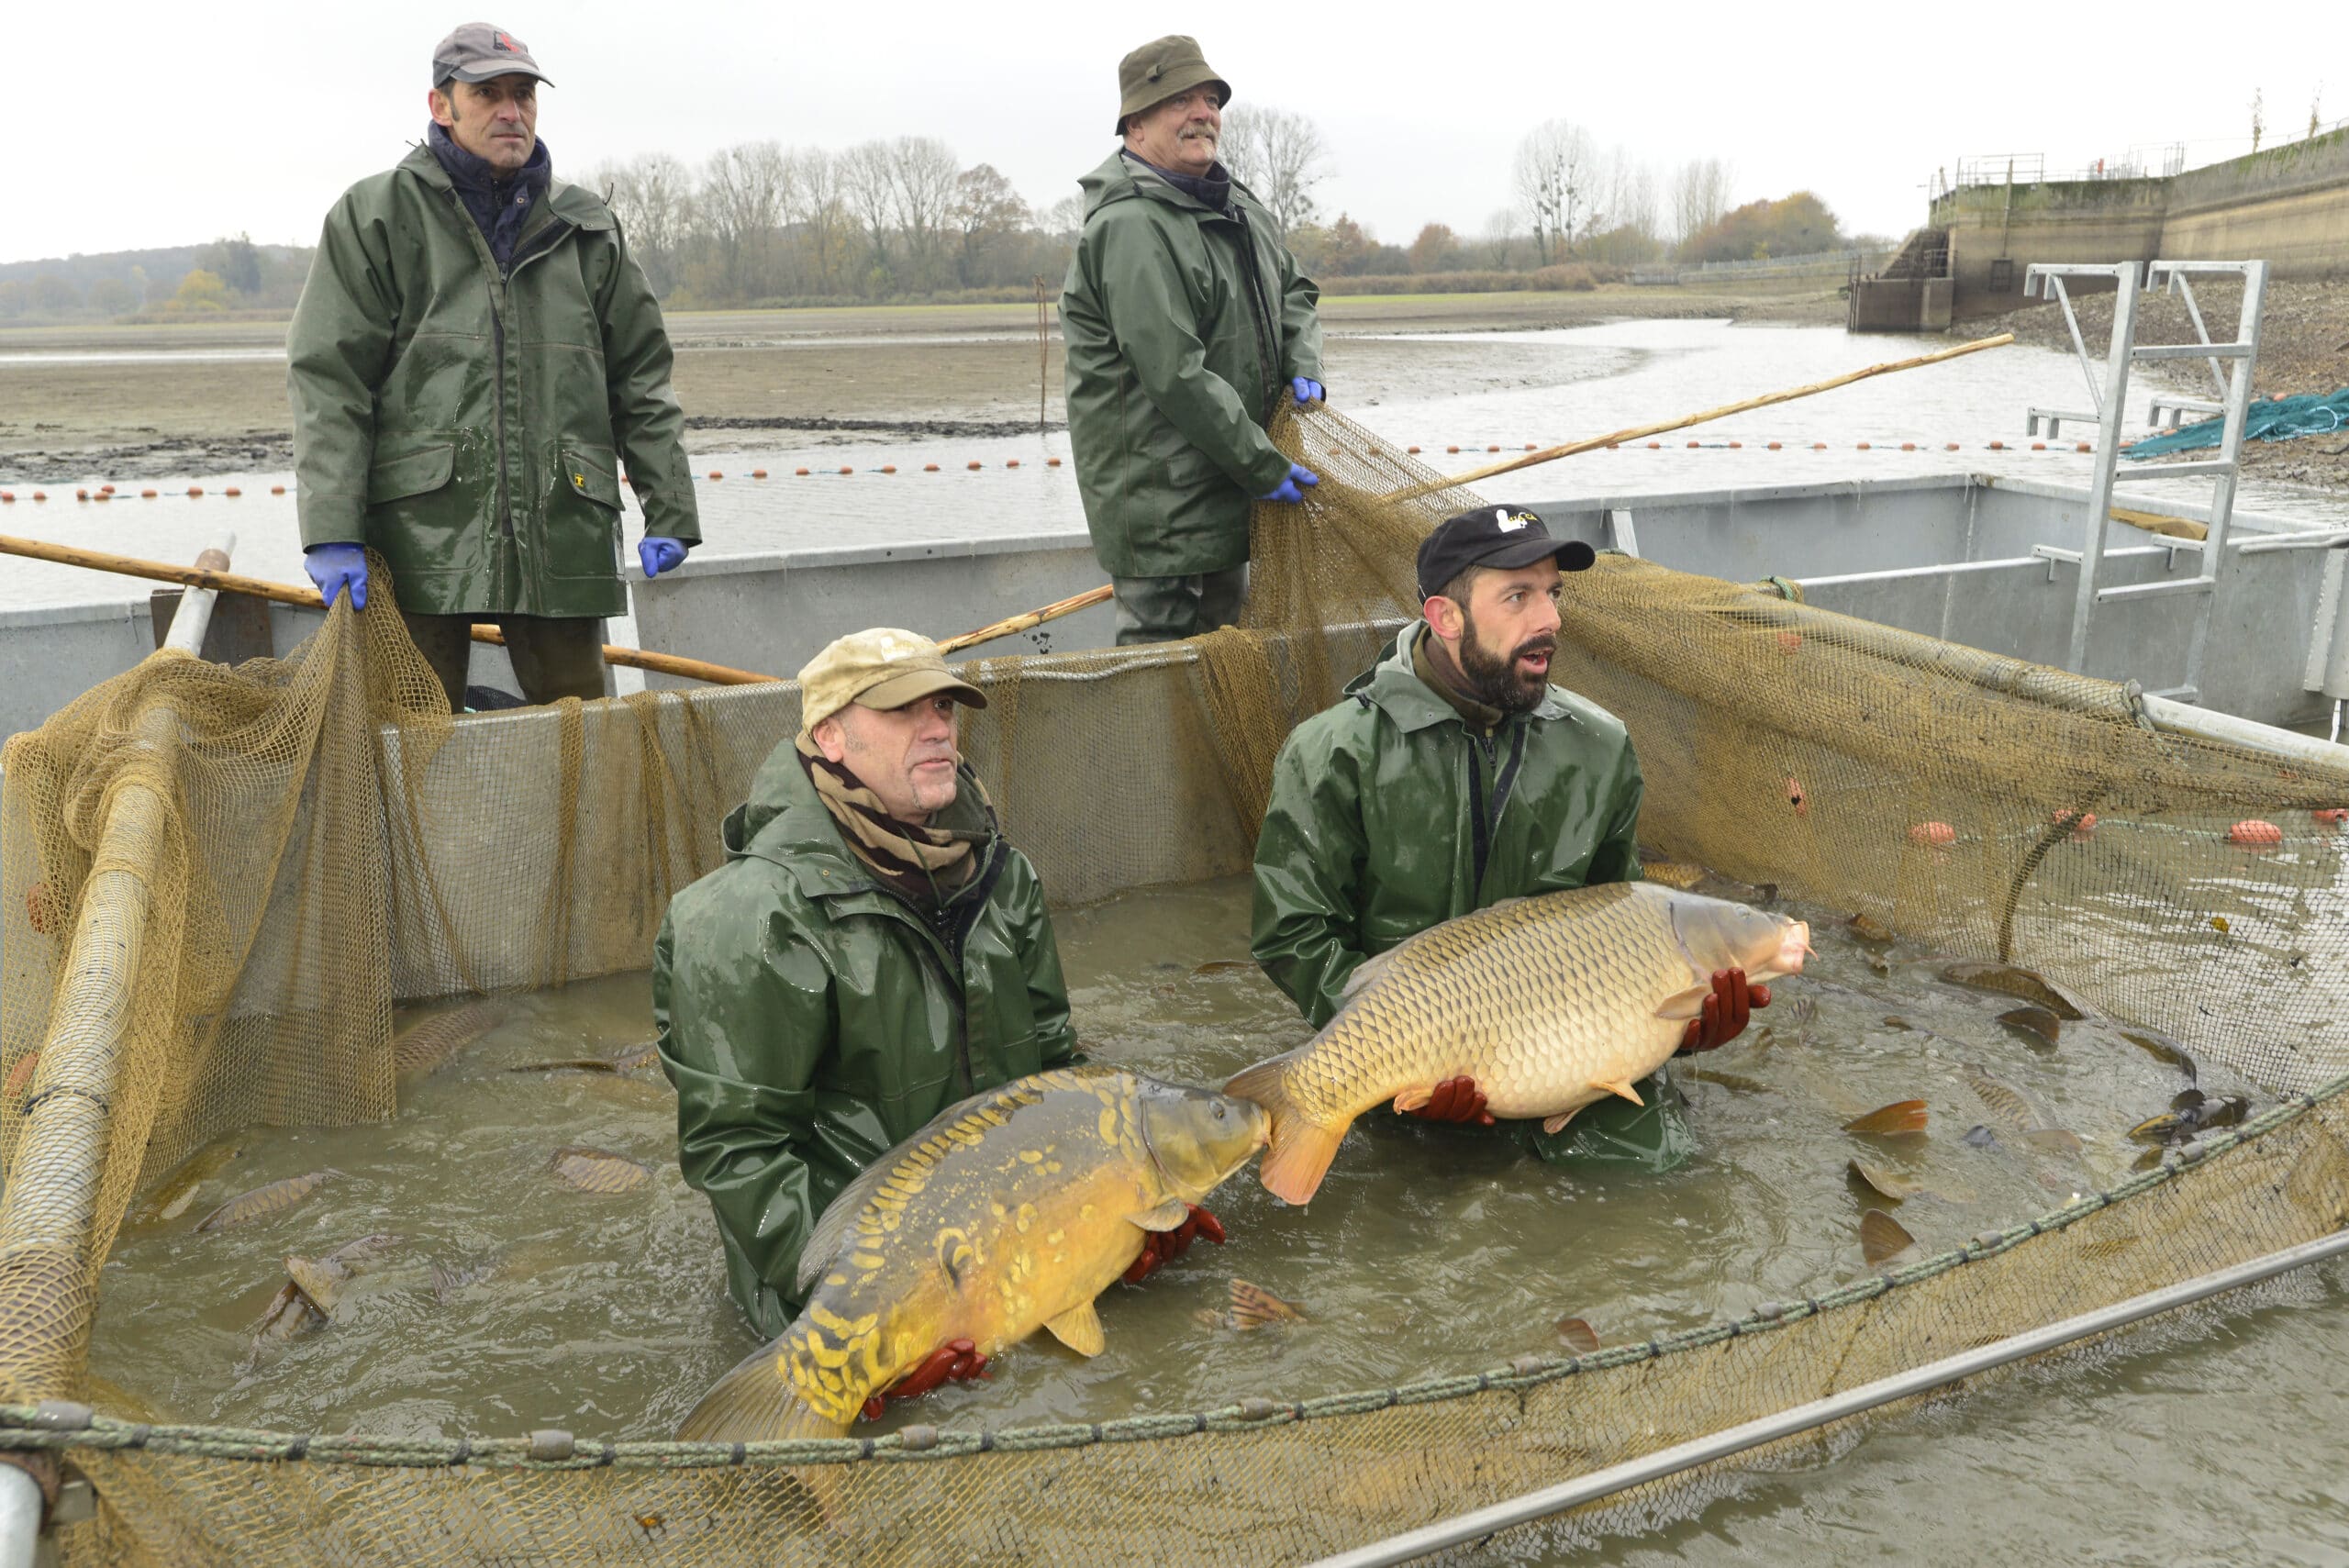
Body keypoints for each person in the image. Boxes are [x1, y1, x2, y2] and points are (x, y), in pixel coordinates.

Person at [653, 630, 1218, 1398]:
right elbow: (739, 1150)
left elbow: (1058, 1068)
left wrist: (1129, 1198)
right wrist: (864, 1311)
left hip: (1009, 1254)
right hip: (840, 1291)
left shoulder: (1002, 874)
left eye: (945, 706)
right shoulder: (745, 917)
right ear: (830, 736)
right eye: (902, 711)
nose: (938, 728)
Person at [1250, 507, 1767, 1170]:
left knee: (1667, 1180)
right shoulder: (1332, 752)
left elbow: (1627, 931)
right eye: (1518, 596)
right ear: (1446, 618)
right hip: (1402, 1070)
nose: (1549, 620)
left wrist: (1688, 1024)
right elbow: (1292, 933)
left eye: (1553, 593)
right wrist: (1399, 1046)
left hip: (1571, 1056)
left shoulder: (1600, 747)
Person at [286, 23, 697, 711]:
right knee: (412, 740)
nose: (512, 111)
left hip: (563, 524)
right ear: (441, 104)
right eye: (489, 94)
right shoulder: (376, 216)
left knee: (587, 738)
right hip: (419, 538)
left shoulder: (587, 228)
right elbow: (330, 379)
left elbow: (642, 380)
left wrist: (672, 508)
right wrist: (332, 528)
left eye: (524, 94)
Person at [1060, 35, 1325, 647]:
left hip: (1231, 490)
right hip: (1165, 512)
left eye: (1211, 99)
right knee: (1161, 675)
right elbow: (1176, 373)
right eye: (1181, 100)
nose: (1203, 113)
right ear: (1136, 122)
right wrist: (1263, 466)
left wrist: (1303, 359)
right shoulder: (1129, 226)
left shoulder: (1240, 208)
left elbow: (1296, 292)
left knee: (1225, 659)